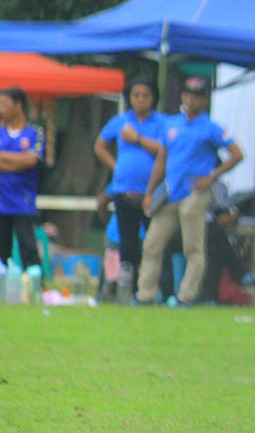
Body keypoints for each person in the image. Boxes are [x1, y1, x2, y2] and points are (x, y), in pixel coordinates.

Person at [136, 77, 244, 307]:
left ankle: (185, 295)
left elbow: (237, 154)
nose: (191, 99)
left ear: (205, 100)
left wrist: (212, 176)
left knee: (192, 247)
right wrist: (149, 192)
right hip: (170, 192)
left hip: (194, 192)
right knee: (152, 243)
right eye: (188, 94)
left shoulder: (211, 127)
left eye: (197, 95)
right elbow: (161, 160)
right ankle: (144, 294)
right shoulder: (171, 125)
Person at [94, 76, 167, 297]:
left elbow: (165, 150)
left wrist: (138, 139)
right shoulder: (120, 121)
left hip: (152, 192)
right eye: (136, 95)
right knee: (128, 242)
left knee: (153, 242)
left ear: (154, 98)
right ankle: (129, 288)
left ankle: (153, 288)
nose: (141, 100)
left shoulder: (162, 122)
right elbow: (100, 146)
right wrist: (115, 166)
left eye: (146, 95)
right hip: (124, 188)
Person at [0, 87, 44, 272]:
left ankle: (35, 289)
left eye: (4, 104)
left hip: (23, 202)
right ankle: (1, 293)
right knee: (0, 252)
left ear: (18, 106)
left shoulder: (34, 132)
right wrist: (18, 163)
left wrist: (2, 156)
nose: (0, 109)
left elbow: (31, 160)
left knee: (29, 249)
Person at [200, 180, 255, 305]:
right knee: (217, 234)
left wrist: (230, 217)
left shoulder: (217, 186)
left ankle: (210, 298)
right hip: (189, 229)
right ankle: (242, 276)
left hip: (208, 231)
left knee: (215, 250)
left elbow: (220, 210)